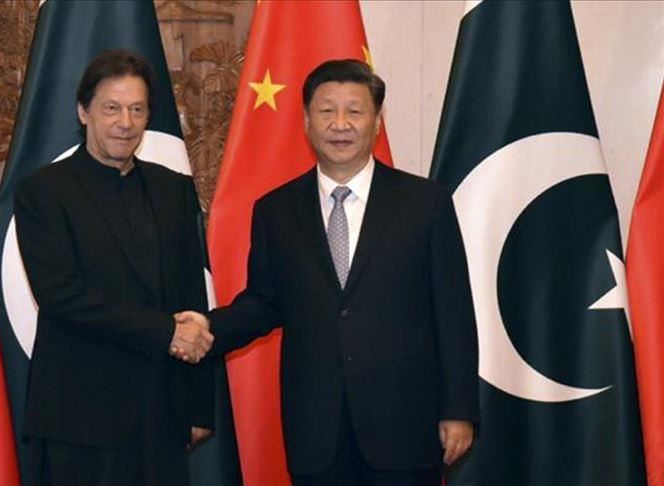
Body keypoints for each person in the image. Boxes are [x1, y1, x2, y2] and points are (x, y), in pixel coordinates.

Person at [175, 59, 479, 486]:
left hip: (405, 423)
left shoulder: (424, 203)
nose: (340, 124)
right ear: (306, 121)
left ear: (376, 121)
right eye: (326, 111)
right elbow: (263, 302)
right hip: (316, 430)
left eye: (354, 111)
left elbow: (454, 312)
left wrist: (459, 408)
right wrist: (209, 327)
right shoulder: (276, 210)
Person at [14, 49, 214, 486]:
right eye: (111, 108)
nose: (125, 122)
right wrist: (164, 330)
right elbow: (61, 296)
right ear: (83, 111)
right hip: (80, 417)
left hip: (162, 412)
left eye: (137, 109)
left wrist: (198, 404)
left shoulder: (173, 189)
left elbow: (191, 296)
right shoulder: (43, 191)